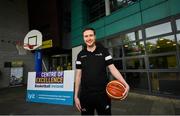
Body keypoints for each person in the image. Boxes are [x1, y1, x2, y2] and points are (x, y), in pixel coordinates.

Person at [74, 27, 130, 115]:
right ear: (83, 38)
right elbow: (78, 76)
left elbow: (113, 69)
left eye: (91, 35)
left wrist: (125, 84)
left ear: (95, 36)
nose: (88, 38)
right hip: (86, 95)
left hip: (103, 94)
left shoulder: (104, 51)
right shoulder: (80, 55)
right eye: (86, 36)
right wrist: (76, 96)